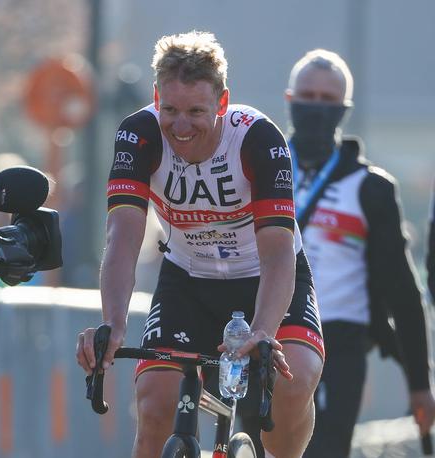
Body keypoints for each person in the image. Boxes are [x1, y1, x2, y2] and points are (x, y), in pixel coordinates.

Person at [76, 31, 324, 458]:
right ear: (156, 97)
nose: (181, 125)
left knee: (293, 380)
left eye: (196, 111)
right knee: (155, 403)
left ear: (222, 103)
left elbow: (279, 252)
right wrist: (112, 325)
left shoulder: (257, 140)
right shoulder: (139, 135)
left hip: (264, 278)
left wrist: (264, 330)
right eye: (169, 109)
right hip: (188, 279)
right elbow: (122, 237)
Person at [283, 49, 435, 458]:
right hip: (268, 337)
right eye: (307, 97)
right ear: (289, 99)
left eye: (327, 101)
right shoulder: (257, 172)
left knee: (325, 450)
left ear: (343, 109)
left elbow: (403, 291)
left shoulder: (372, 188)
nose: (316, 108)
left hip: (340, 343)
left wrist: (420, 384)